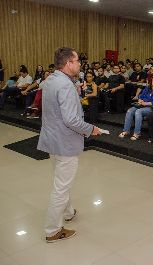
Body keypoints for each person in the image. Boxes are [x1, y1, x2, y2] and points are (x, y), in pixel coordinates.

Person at [37, 47, 101, 243]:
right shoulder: (65, 86)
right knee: (61, 187)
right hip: (64, 141)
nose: (80, 64)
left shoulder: (50, 80)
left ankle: (69, 211)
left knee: (60, 181)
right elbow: (71, 120)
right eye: (77, 61)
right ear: (68, 64)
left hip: (52, 139)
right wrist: (91, 129)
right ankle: (52, 230)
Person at [119, 76, 153, 140]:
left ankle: (137, 133)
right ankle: (126, 130)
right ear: (151, 82)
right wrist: (140, 100)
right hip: (141, 105)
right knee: (130, 111)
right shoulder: (147, 88)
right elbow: (141, 96)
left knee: (138, 112)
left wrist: (146, 103)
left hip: (151, 107)